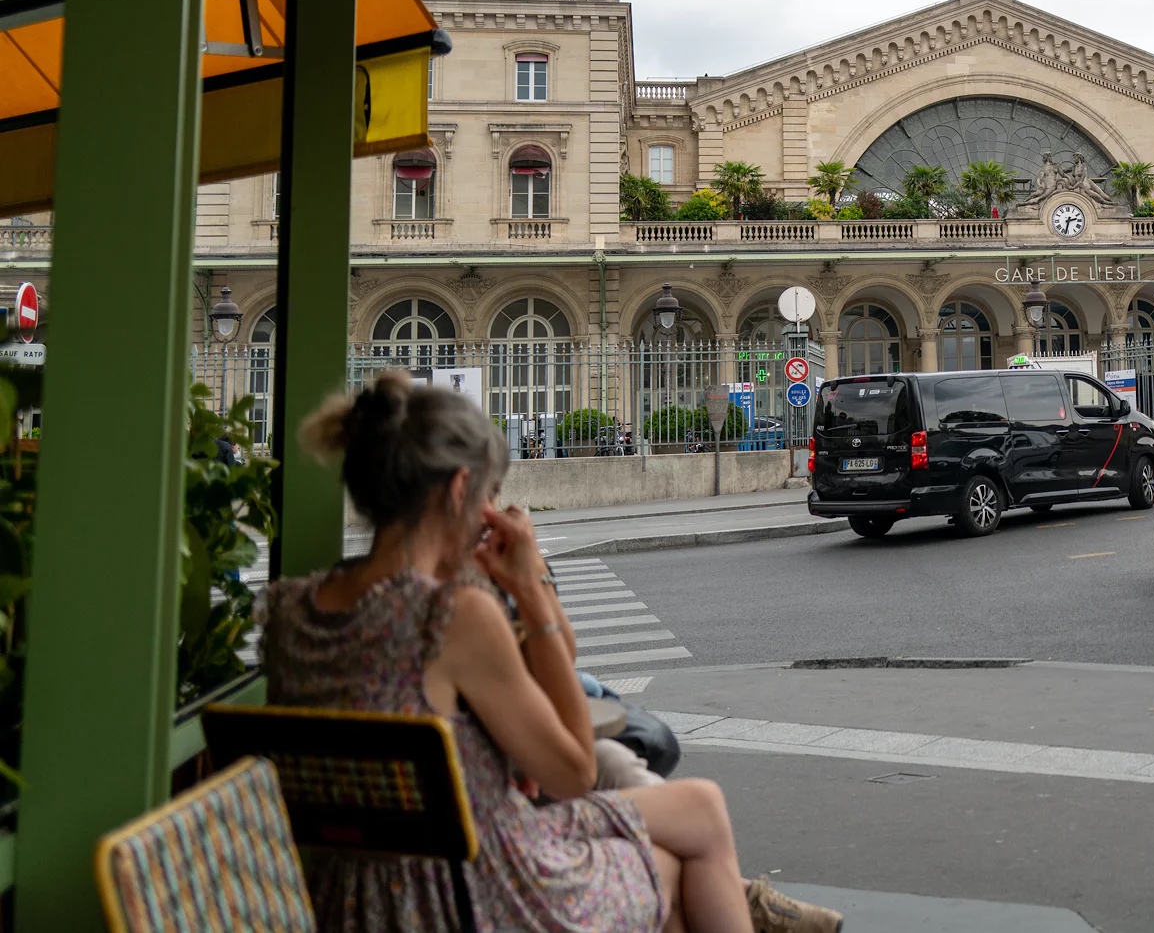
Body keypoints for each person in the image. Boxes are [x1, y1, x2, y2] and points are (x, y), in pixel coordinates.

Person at [259, 373, 839, 933]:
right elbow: (572, 771)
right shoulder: (451, 615)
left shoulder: (286, 610)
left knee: (687, 835)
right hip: (467, 892)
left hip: (349, 895)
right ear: (463, 490)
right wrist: (531, 593)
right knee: (692, 833)